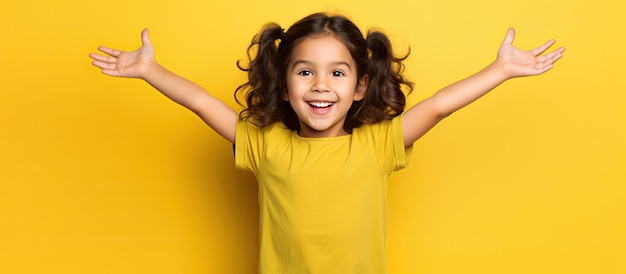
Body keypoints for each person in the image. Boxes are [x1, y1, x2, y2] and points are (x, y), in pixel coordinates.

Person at [89, 12, 564, 274]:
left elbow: (438, 105)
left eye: (337, 73)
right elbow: (199, 101)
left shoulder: (378, 146)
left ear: (359, 87)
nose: (320, 85)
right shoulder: (264, 144)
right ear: (284, 83)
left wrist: (500, 70)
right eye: (305, 72)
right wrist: (149, 70)